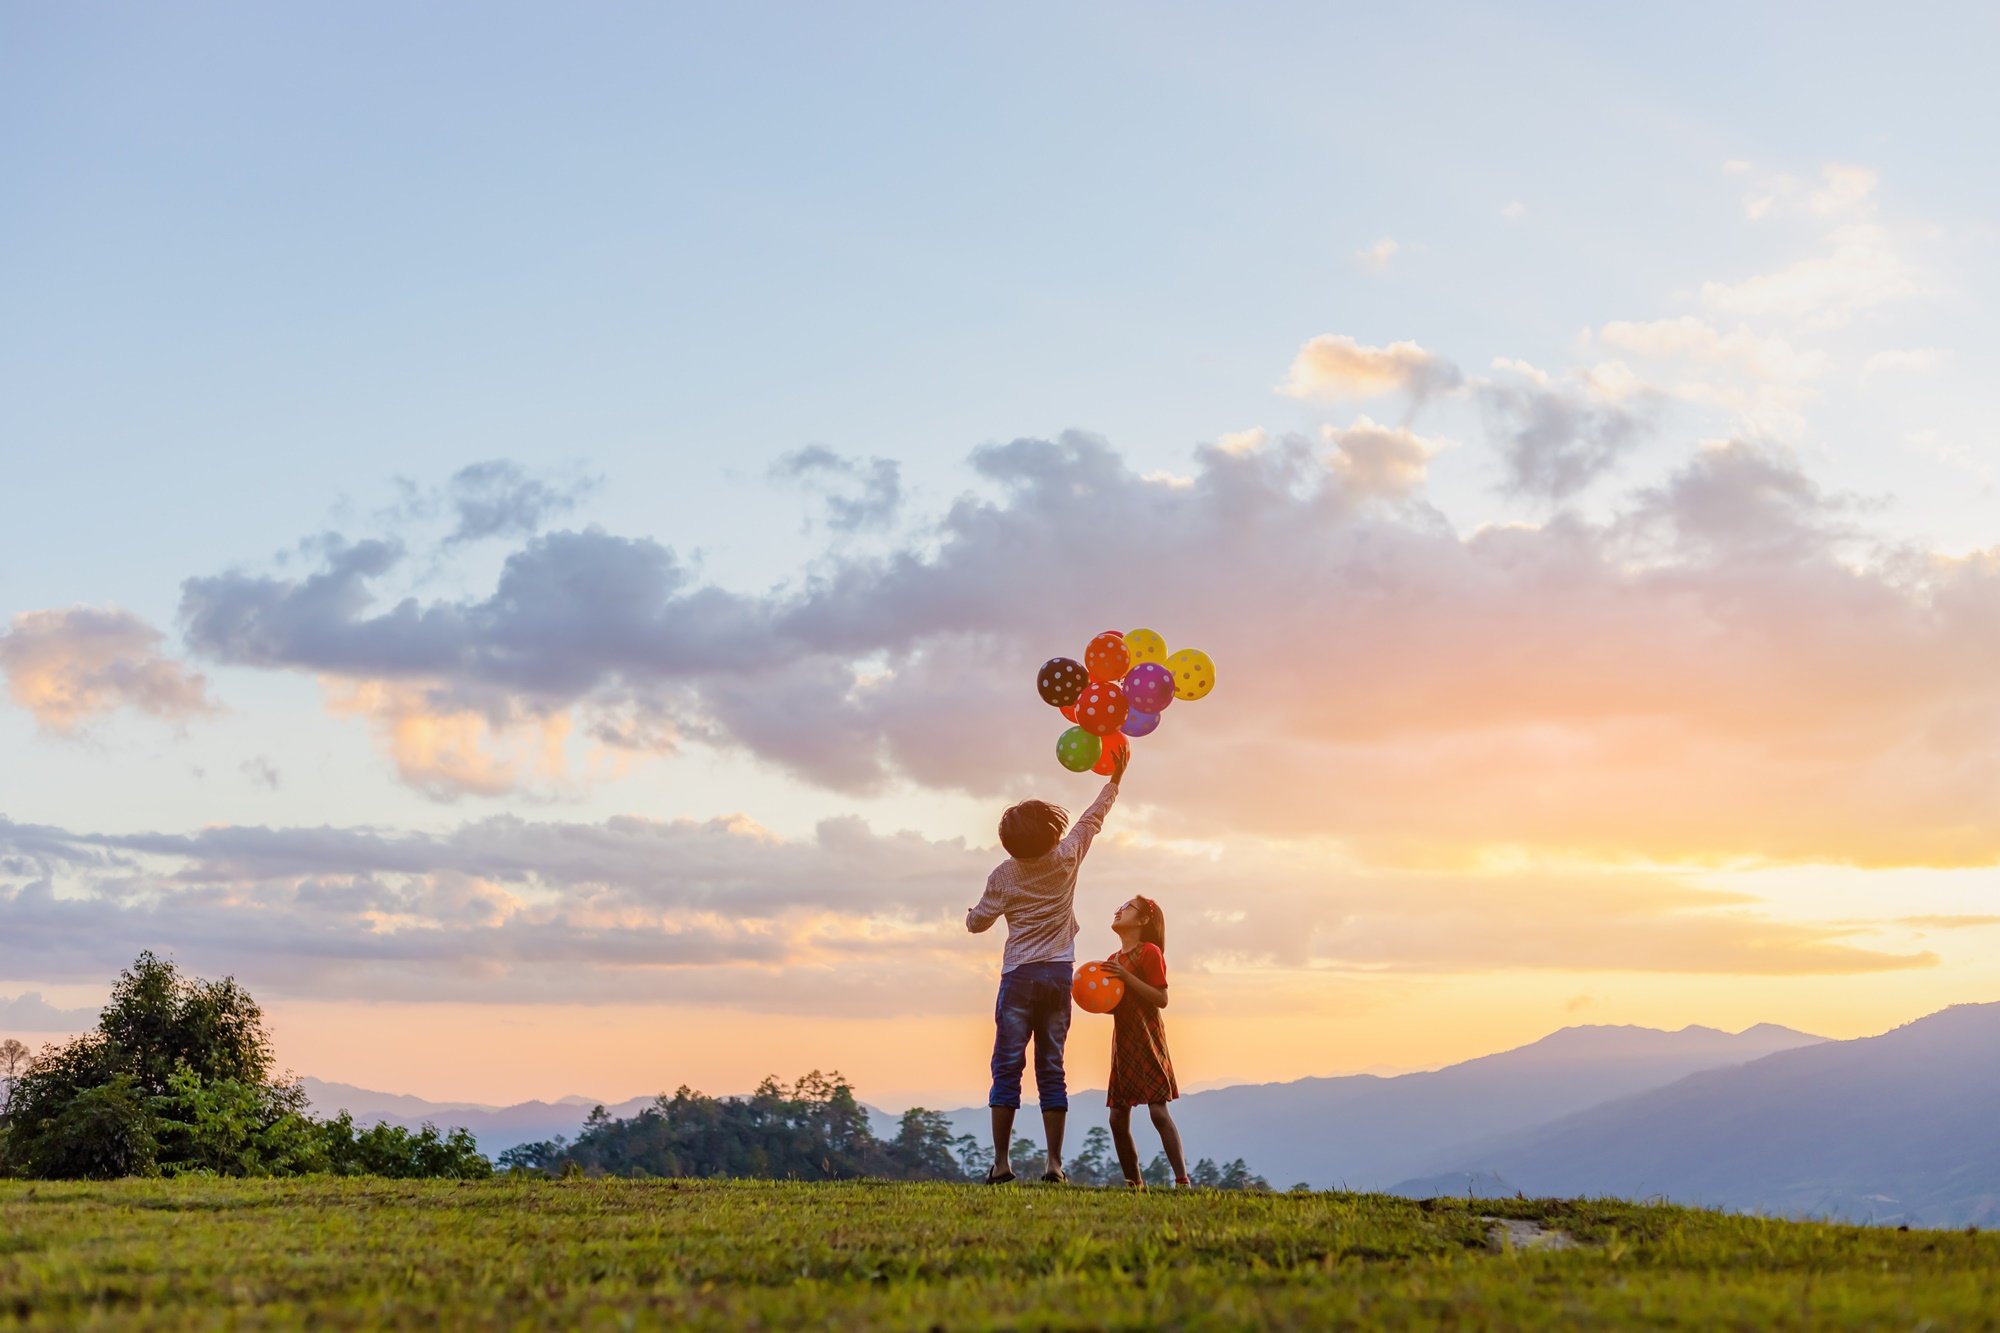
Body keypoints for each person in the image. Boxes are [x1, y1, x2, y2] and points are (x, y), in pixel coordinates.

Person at [965, 745, 1131, 1183]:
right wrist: (1114, 779)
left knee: (1007, 1067)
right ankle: (1054, 1165)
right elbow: (1092, 819)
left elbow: (977, 924)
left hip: (1018, 978)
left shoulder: (1003, 875)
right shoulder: (1066, 857)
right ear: (1051, 834)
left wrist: (971, 913)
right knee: (1051, 1068)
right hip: (1058, 976)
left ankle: (1002, 1164)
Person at [1101, 894, 1187, 1188]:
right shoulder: (1113, 961)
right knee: (1116, 1119)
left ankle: (1182, 1180)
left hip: (1148, 1040)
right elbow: (1113, 1002)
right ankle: (1134, 1183)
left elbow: (1161, 998)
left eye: (1127, 908)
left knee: (1158, 1112)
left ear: (1143, 920)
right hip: (1122, 1045)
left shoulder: (1149, 952)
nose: (1119, 910)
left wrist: (1125, 977)